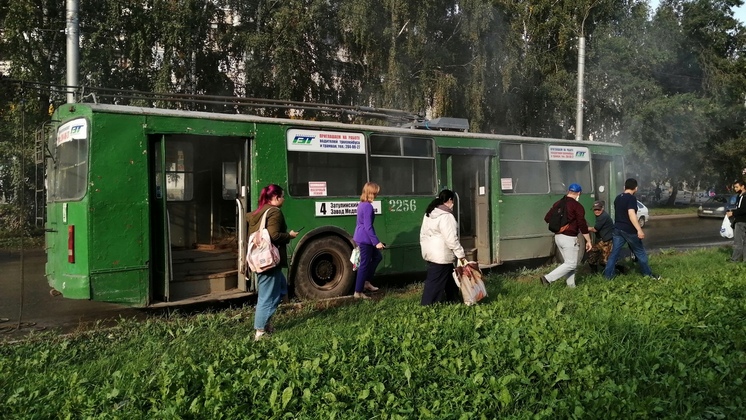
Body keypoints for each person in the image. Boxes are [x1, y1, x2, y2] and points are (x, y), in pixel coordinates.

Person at [248, 184, 299, 341]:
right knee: (267, 296)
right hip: (268, 261)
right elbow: (274, 235)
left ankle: (266, 325)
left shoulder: (259, 212)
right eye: (282, 196)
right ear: (276, 197)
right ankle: (260, 331)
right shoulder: (274, 212)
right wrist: (288, 236)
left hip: (261, 260)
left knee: (278, 290)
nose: (284, 199)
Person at [603, 178, 661, 280]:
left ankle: (608, 276)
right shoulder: (631, 199)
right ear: (636, 188)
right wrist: (639, 230)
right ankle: (648, 275)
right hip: (629, 230)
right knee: (640, 252)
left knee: (614, 254)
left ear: (624, 187)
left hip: (617, 229)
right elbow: (631, 214)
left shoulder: (618, 198)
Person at [419, 189, 467, 305]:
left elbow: (423, 233)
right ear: (450, 200)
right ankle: (427, 305)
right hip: (441, 254)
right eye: (453, 201)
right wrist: (461, 254)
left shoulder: (430, 213)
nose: (453, 204)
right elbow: (451, 240)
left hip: (431, 252)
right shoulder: (446, 216)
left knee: (449, 278)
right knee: (434, 282)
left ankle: (454, 300)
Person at [540, 183, 592, 288]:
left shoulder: (558, 203)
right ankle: (548, 278)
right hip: (569, 238)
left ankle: (571, 286)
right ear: (579, 193)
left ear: (568, 191)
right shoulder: (577, 206)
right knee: (572, 264)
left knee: (569, 263)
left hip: (558, 237)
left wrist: (560, 225)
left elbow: (547, 218)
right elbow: (582, 224)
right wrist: (588, 240)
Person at [352, 182, 384, 299]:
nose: (376, 195)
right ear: (370, 193)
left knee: (377, 257)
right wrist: (377, 242)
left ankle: (366, 283)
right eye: (375, 193)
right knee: (364, 265)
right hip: (364, 239)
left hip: (363, 237)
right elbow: (368, 226)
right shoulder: (367, 207)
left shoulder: (362, 204)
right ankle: (358, 292)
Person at [587, 200, 614, 273]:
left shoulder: (603, 216)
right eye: (595, 209)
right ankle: (594, 274)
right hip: (601, 241)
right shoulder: (599, 216)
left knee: (604, 262)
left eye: (598, 209)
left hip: (607, 242)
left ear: (602, 208)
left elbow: (595, 229)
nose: (597, 211)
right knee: (591, 257)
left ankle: (617, 271)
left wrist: (585, 228)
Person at [726, 180, 746, 262]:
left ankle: (735, 260)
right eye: (734, 187)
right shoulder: (739, 196)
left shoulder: (744, 197)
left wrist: (733, 213)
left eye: (737, 187)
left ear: (743, 186)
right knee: (744, 242)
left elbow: (743, 209)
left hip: (741, 221)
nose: (735, 189)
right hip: (741, 220)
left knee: (738, 242)